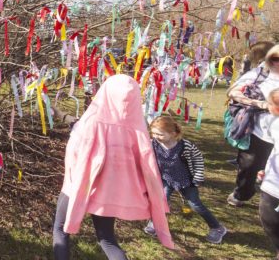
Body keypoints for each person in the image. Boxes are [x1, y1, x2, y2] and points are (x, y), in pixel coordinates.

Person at [53, 74, 174, 259]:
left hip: (77, 185)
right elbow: (147, 164)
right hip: (110, 192)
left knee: (60, 229)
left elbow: (74, 153)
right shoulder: (138, 131)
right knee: (107, 239)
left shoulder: (90, 123)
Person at [144, 116, 227, 243]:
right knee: (161, 201)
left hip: (186, 180)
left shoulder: (185, 145)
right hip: (166, 178)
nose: (155, 136)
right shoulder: (153, 144)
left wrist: (198, 175)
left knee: (195, 205)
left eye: (160, 134)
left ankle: (217, 227)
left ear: (172, 133)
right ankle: (155, 223)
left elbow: (197, 159)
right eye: (153, 133)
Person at [227, 44, 279, 207]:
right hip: (259, 132)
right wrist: (261, 104)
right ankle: (241, 194)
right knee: (249, 167)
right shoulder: (260, 73)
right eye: (275, 58)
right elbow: (233, 93)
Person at [259, 88, 279, 259]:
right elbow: (275, 150)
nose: (267, 106)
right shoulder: (273, 123)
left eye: (269, 104)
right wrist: (265, 169)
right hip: (272, 182)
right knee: (269, 219)